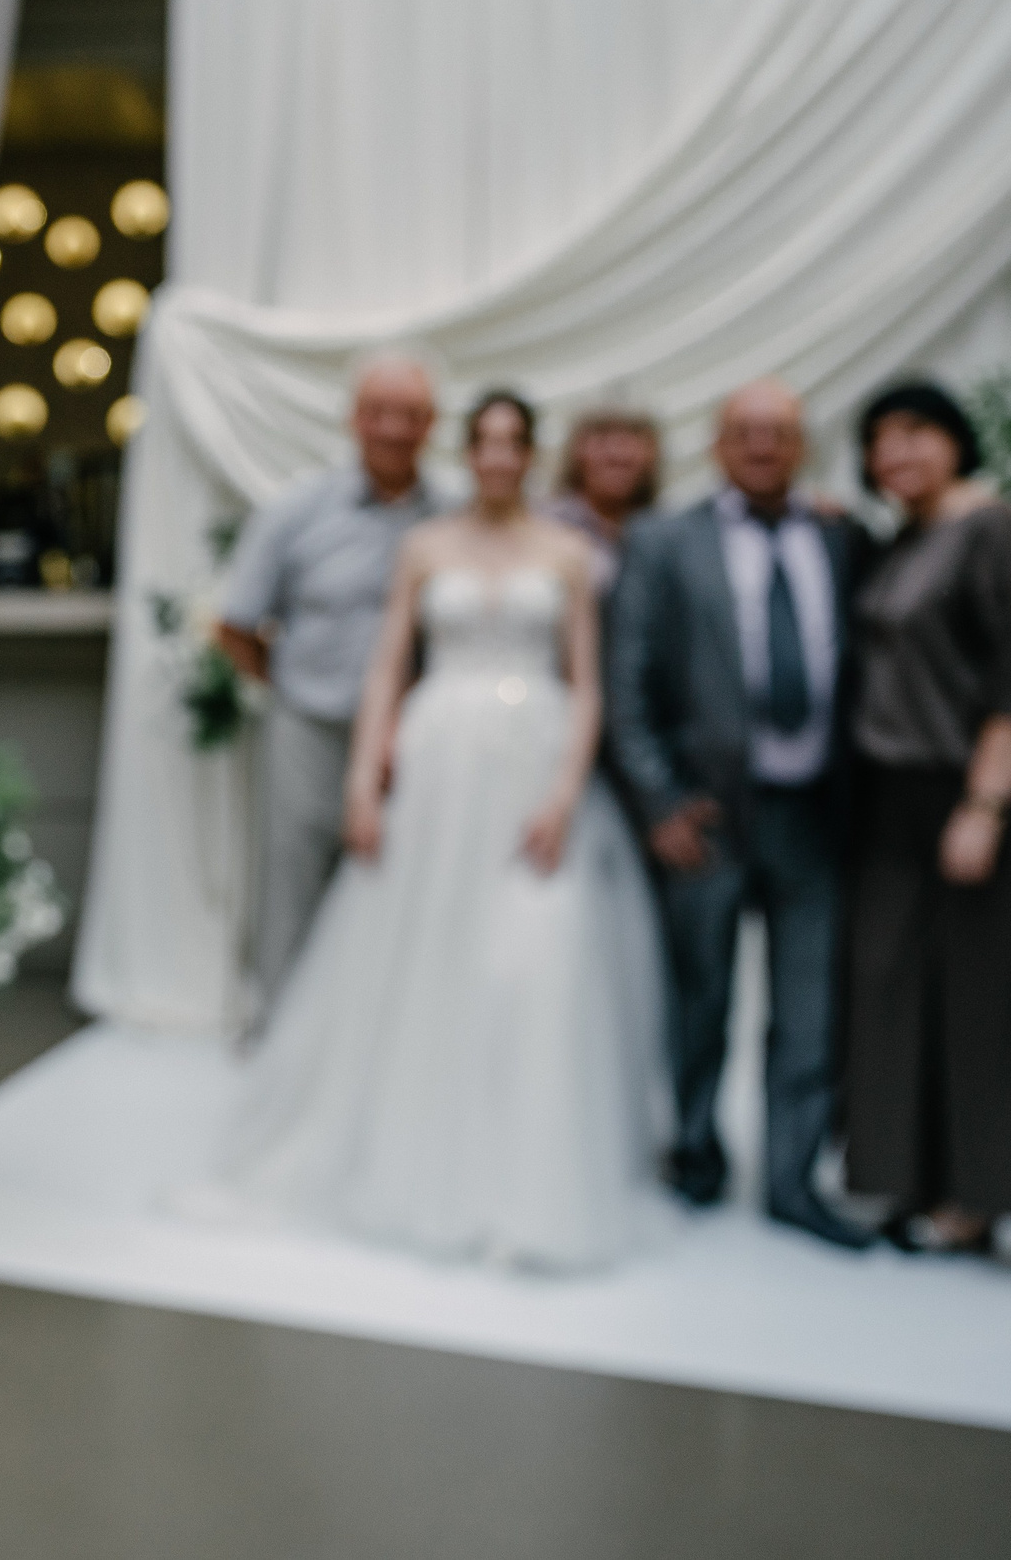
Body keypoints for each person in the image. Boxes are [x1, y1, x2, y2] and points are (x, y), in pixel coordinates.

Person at [201, 392, 668, 1270]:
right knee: (426, 948)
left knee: (533, 957)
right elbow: (385, 672)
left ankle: (527, 1168)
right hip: (440, 756)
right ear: (469, 452)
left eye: (511, 445)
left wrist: (566, 792)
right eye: (482, 444)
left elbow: (590, 684)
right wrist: (364, 780)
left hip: (531, 757)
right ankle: (408, 1144)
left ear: (531, 456)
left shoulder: (568, 551)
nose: (496, 459)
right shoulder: (426, 546)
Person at [605, 379, 874, 1250]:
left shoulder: (843, 538)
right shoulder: (663, 541)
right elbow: (626, 686)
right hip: (708, 815)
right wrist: (660, 806)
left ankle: (794, 1181)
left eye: (781, 433)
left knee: (808, 1007)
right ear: (718, 446)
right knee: (700, 997)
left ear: (804, 447)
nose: (763, 447)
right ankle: (695, 1156)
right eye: (746, 433)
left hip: (815, 813)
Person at [845, 380, 1011, 1255]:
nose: (898, 453)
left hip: (990, 797)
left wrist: (984, 806)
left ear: (956, 441)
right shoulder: (907, 538)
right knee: (899, 989)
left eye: (918, 433)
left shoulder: (996, 534)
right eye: (882, 439)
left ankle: (977, 1200)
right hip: (899, 800)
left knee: (989, 1003)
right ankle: (910, 1172)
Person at [213, 354, 440, 1016]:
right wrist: (287, 686)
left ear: (431, 426)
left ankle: (381, 1029)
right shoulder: (296, 511)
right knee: (295, 877)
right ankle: (281, 1028)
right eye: (380, 413)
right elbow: (237, 624)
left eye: (411, 416)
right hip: (312, 725)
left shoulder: (454, 511)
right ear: (354, 420)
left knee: (400, 880)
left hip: (415, 738)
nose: (394, 429)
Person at [546, 407, 664, 595]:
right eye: (602, 442)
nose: (617, 455)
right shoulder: (546, 527)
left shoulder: (667, 534)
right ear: (576, 453)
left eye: (630, 442)